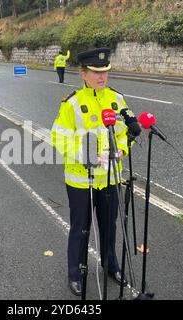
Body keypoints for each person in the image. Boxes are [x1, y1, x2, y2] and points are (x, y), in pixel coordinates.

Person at [51, 47, 134, 296]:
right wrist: (87, 155)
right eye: (96, 72)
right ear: (83, 74)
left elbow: (123, 133)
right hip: (81, 180)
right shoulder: (72, 103)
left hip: (110, 177)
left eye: (105, 72)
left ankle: (111, 265)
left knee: (109, 226)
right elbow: (59, 137)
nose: (102, 77)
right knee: (81, 228)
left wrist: (121, 149)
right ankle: (75, 272)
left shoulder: (117, 100)